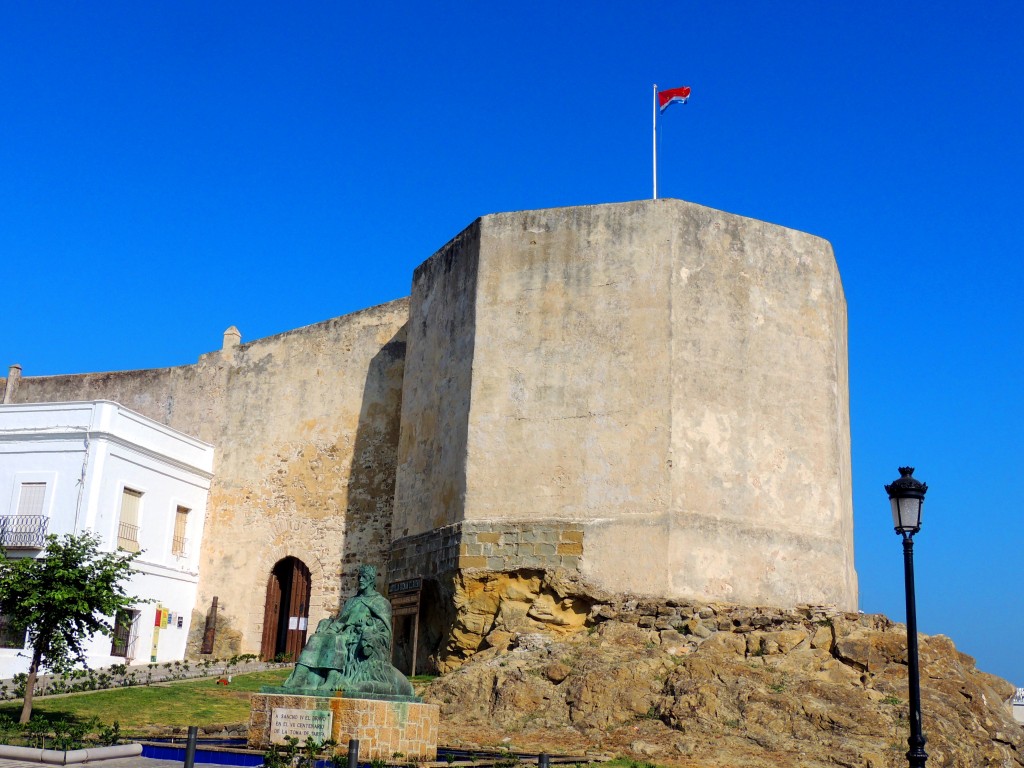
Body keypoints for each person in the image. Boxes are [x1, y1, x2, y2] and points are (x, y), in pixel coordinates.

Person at [281, 564, 413, 697]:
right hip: (342, 632)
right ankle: (300, 675)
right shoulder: (351, 601)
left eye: (364, 577)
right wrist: (326, 624)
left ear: (372, 580)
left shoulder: (381, 603)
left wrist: (366, 628)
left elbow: (383, 631)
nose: (361, 580)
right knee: (316, 638)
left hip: (357, 636)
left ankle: (332, 677)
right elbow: (339, 621)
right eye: (359, 577)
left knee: (338, 639)